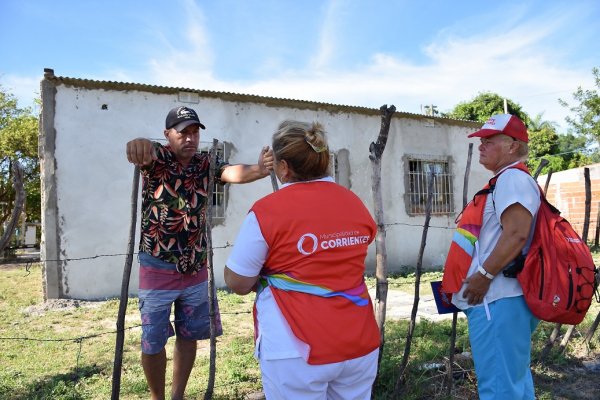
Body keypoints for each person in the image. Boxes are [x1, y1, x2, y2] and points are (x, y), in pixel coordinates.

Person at [224, 120, 380, 399]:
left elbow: (237, 281)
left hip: (295, 348)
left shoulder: (268, 211)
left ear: (283, 167)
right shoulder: (354, 203)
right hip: (358, 342)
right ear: (324, 159)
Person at [125, 105, 273, 400]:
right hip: (157, 265)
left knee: (189, 335)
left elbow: (230, 172)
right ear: (168, 134)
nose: (190, 138)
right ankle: (158, 397)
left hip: (195, 267)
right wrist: (136, 144)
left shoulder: (206, 163)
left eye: (194, 132)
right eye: (183, 132)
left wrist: (258, 169)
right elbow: (140, 149)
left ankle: (177, 396)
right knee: (153, 340)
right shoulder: (157, 158)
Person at [442, 114, 541, 399]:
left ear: (512, 146)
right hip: (502, 300)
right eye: (481, 140)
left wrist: (483, 276)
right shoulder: (506, 180)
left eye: (489, 140)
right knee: (513, 384)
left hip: (496, 299)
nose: (481, 146)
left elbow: (517, 234)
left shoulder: (511, 179)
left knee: (499, 389)